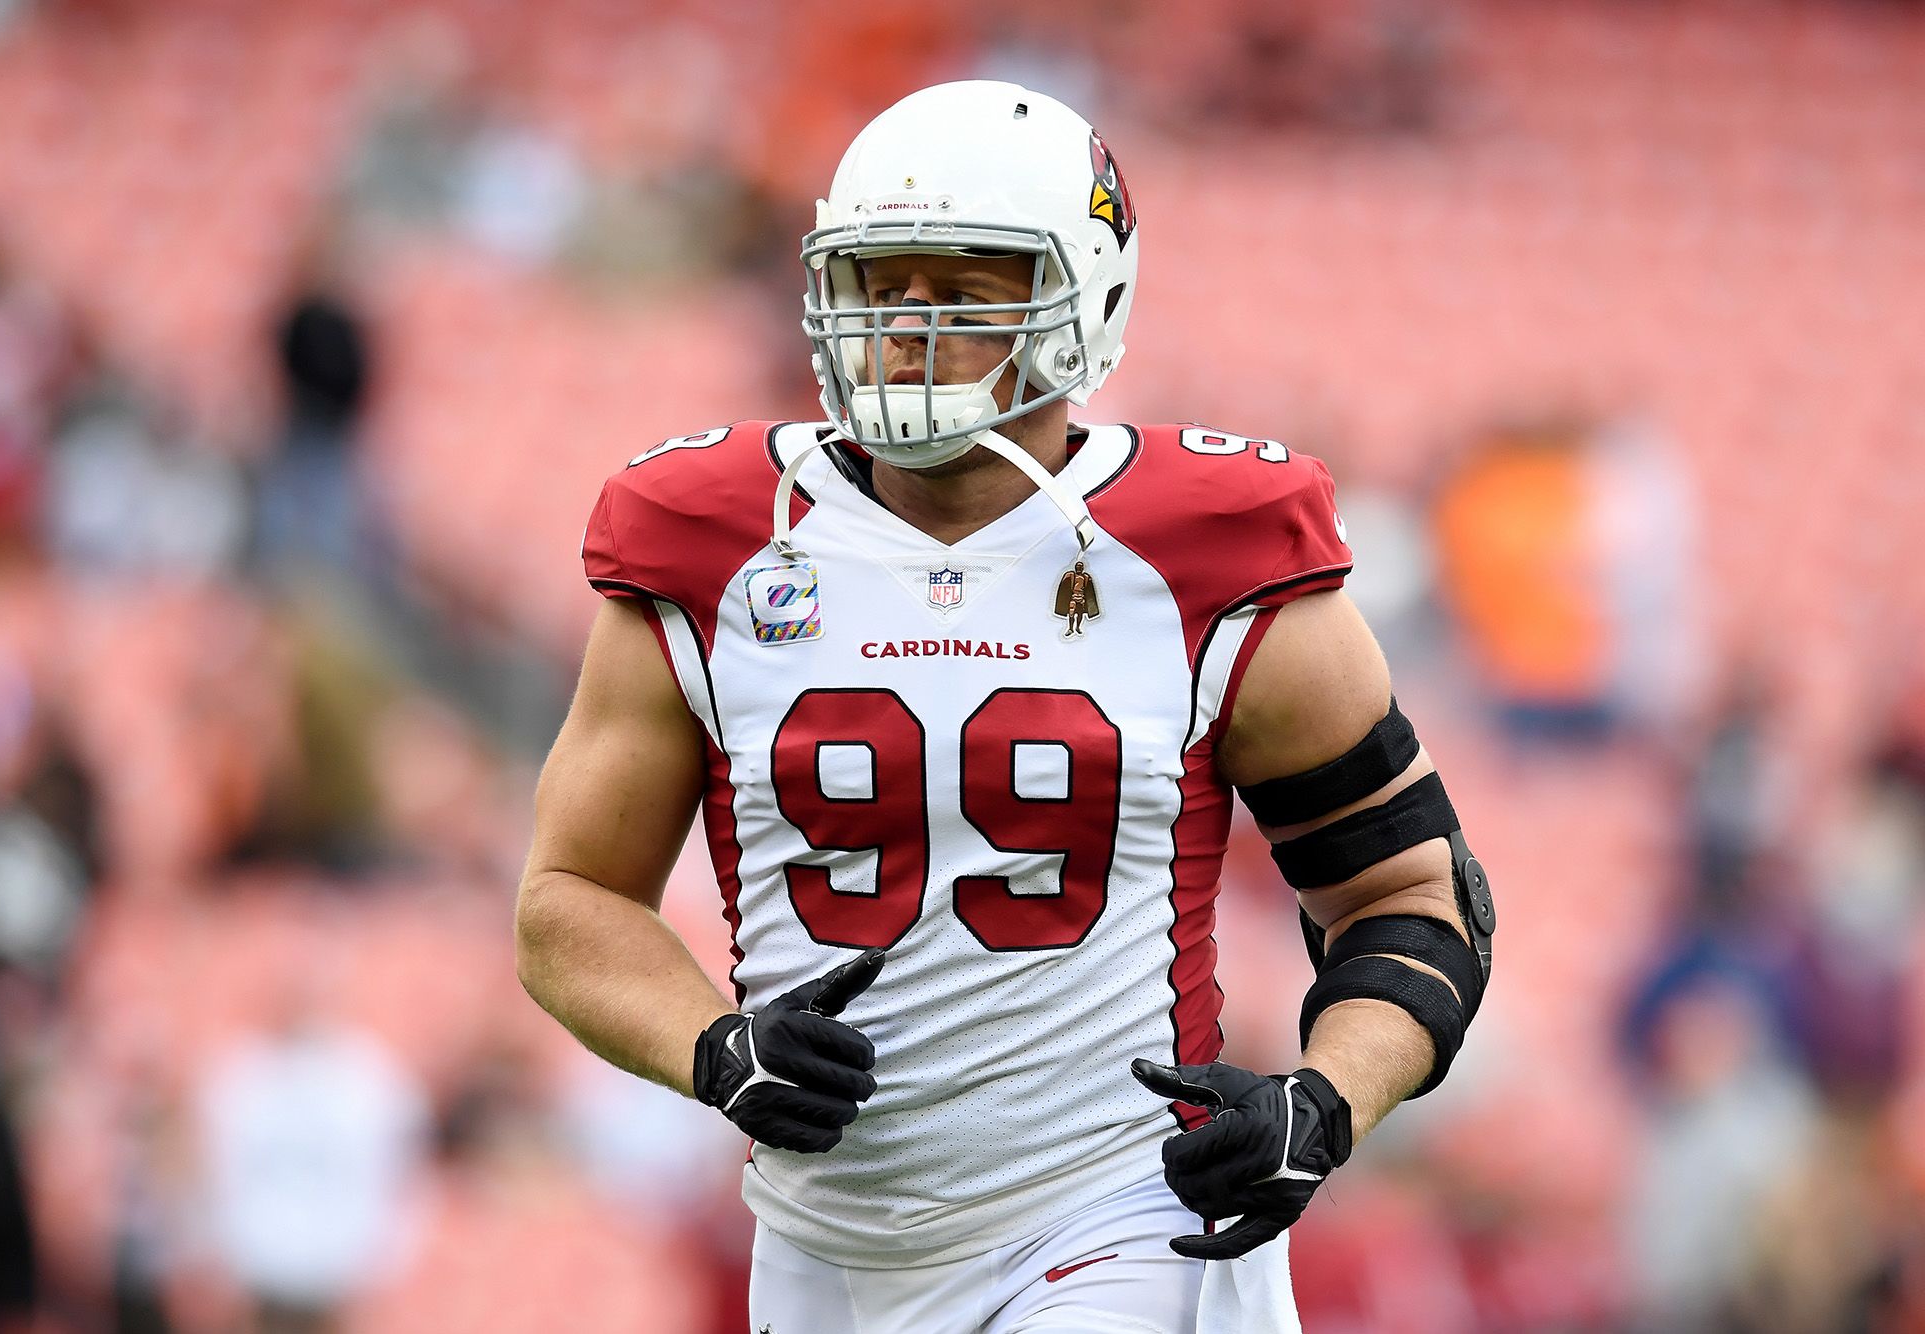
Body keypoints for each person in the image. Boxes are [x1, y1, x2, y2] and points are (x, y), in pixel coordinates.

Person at [516, 81, 1496, 1334]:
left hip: (1123, 1212)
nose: (909, 328)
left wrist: (1321, 1098)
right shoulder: (710, 542)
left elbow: (1411, 894)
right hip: (824, 1241)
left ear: (1085, 298)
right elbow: (567, 900)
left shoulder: (1210, 553)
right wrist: (716, 1046)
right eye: (880, 284)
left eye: (965, 285)